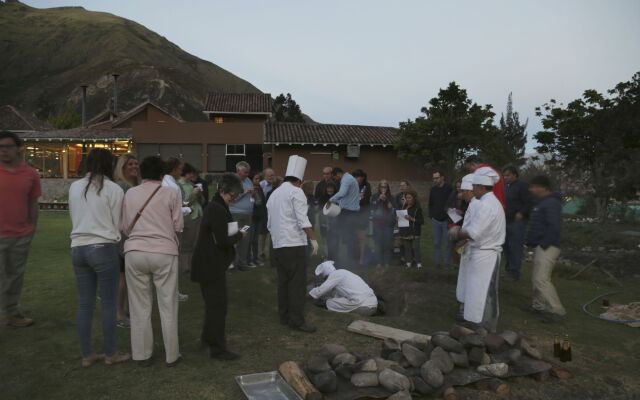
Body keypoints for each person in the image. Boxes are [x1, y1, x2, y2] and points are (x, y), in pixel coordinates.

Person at [68, 148, 130, 367]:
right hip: (103, 248)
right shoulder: (114, 189)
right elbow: (119, 224)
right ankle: (111, 353)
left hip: (78, 248)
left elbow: (74, 215)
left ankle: (87, 355)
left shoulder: (74, 187)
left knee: (85, 304)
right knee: (108, 304)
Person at [121, 156, 184, 367]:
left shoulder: (130, 193)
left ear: (142, 173)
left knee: (139, 306)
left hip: (135, 251)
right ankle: (171, 355)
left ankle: (142, 355)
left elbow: (124, 226)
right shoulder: (170, 193)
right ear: (161, 174)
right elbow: (178, 226)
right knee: (168, 305)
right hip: (164, 251)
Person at [191, 173, 247, 360]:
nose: (233, 199)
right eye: (232, 196)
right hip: (210, 265)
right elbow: (222, 240)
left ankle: (208, 339)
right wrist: (239, 235)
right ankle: (217, 348)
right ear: (222, 191)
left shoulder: (217, 206)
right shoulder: (216, 209)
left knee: (213, 305)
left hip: (209, 264)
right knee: (218, 307)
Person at [449, 168, 506, 332]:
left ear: (481, 187)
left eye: (473, 187)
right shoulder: (487, 202)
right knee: (478, 291)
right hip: (480, 252)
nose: (472, 191)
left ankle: (484, 328)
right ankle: (479, 325)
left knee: (484, 293)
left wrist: (457, 232)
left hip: (485, 255)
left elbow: (474, 232)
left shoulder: (487, 206)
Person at [267, 155, 319, 333]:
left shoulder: (274, 194)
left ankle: (284, 316)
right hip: (294, 244)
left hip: (278, 245)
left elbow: (269, 223)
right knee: (297, 284)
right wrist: (313, 239)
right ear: (299, 179)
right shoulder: (296, 192)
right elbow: (302, 220)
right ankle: (296, 320)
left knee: (283, 282)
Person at [0, 131, 40, 328]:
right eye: (0, 147)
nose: (4, 151)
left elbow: (33, 203)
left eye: (8, 146)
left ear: (17, 149)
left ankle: (11, 314)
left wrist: (31, 228)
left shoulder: (30, 174)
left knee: (15, 278)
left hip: (21, 236)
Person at [526, 175, 565, 322]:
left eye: (534, 186)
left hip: (548, 246)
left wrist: (543, 244)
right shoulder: (542, 202)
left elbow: (553, 227)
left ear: (543, 188)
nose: (531, 189)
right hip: (541, 244)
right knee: (537, 277)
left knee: (541, 279)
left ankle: (556, 310)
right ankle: (538, 306)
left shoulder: (551, 203)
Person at [113, 154, 141, 328]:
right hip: (123, 238)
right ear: (122, 167)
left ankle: (126, 310)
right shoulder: (120, 187)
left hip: (135, 237)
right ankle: (119, 314)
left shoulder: (137, 186)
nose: (134, 167)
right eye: (130, 164)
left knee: (130, 278)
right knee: (122, 278)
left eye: (136, 164)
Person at [162, 157, 189, 302]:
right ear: (173, 170)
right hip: (172, 229)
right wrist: (186, 209)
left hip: (163, 227)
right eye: (179, 169)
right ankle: (173, 293)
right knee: (172, 262)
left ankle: (171, 291)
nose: (181, 171)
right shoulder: (173, 186)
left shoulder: (165, 182)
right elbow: (175, 211)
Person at [309, 261, 378, 316]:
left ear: (326, 275)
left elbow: (320, 290)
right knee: (335, 299)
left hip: (364, 307)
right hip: (373, 303)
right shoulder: (343, 272)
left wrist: (309, 294)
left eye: (325, 278)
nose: (325, 280)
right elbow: (336, 294)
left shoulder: (334, 275)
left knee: (329, 302)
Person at [502, 165, 532, 281]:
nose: (505, 177)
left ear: (515, 175)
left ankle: (514, 273)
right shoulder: (506, 187)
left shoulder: (522, 186)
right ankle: (508, 269)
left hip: (517, 222)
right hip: (506, 221)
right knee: (507, 247)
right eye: (504, 175)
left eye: (508, 175)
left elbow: (529, 202)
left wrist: (521, 213)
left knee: (515, 247)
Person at [328, 167, 360, 266]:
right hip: (350, 213)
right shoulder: (350, 178)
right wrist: (336, 201)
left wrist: (330, 200)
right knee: (350, 237)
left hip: (347, 213)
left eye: (334, 178)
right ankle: (351, 261)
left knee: (334, 234)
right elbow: (345, 198)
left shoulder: (346, 179)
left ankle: (333, 260)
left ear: (337, 174)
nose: (335, 180)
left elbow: (342, 193)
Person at [178, 163, 204, 275]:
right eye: (191, 173)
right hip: (188, 217)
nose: (193, 176)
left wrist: (199, 194)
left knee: (195, 243)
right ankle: (185, 268)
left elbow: (202, 202)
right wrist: (193, 195)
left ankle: (193, 267)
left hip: (198, 215)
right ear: (186, 173)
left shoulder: (191, 184)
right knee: (186, 244)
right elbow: (184, 204)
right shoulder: (179, 186)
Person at [229, 161, 254, 270]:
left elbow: (250, 195)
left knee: (245, 239)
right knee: (233, 238)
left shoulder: (248, 180)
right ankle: (231, 264)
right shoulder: (232, 181)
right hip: (234, 214)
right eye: (245, 172)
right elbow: (231, 198)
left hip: (247, 215)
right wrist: (244, 192)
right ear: (238, 171)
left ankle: (241, 263)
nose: (247, 175)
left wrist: (252, 195)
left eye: (248, 172)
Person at [429, 170, 454, 268]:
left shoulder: (449, 189)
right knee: (436, 243)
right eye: (434, 178)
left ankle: (447, 264)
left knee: (448, 243)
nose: (435, 180)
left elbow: (452, 203)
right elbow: (430, 203)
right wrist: (431, 215)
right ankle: (437, 263)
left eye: (437, 178)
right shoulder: (433, 189)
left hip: (446, 220)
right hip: (436, 220)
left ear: (442, 177)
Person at [371, 180, 395, 267]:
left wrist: (388, 202)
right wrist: (378, 199)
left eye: (385, 187)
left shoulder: (391, 197)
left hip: (388, 225)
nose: (383, 188)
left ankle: (387, 262)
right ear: (379, 188)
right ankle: (379, 262)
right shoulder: (375, 196)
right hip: (378, 224)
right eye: (382, 186)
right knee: (378, 243)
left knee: (387, 244)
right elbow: (372, 207)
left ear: (387, 188)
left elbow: (393, 210)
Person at [397, 190, 424, 268]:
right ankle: (408, 263)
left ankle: (419, 264)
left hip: (415, 231)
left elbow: (421, 221)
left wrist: (411, 218)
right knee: (407, 248)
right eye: (406, 198)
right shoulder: (404, 207)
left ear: (414, 198)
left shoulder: (417, 208)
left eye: (410, 197)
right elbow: (402, 219)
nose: (408, 199)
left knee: (415, 248)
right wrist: (398, 218)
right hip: (405, 231)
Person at [353, 169, 372, 265]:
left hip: (363, 215)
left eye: (358, 176)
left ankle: (361, 259)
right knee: (354, 238)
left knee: (361, 238)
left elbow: (365, 201)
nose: (357, 179)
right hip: (353, 216)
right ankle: (354, 258)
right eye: (355, 177)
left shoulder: (366, 186)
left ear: (363, 177)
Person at [250, 173, 267, 266]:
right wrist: (253, 197)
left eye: (259, 179)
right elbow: (253, 203)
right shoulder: (250, 189)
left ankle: (255, 258)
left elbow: (262, 203)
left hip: (259, 217)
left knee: (256, 239)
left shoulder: (260, 189)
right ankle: (250, 259)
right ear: (252, 180)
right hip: (252, 217)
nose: (257, 181)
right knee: (251, 239)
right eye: (256, 179)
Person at [258, 168, 275, 261]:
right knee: (263, 233)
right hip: (264, 212)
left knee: (273, 233)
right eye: (270, 175)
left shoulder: (276, 185)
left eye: (273, 175)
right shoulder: (261, 185)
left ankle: (271, 253)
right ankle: (261, 253)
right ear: (265, 176)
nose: (272, 177)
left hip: (274, 213)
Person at [320, 182, 339, 260]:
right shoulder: (323, 198)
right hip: (325, 223)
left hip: (335, 224)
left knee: (335, 241)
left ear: (334, 189)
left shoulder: (337, 198)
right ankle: (327, 257)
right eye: (328, 188)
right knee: (326, 241)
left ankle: (334, 257)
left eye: (331, 188)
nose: (330, 189)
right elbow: (320, 209)